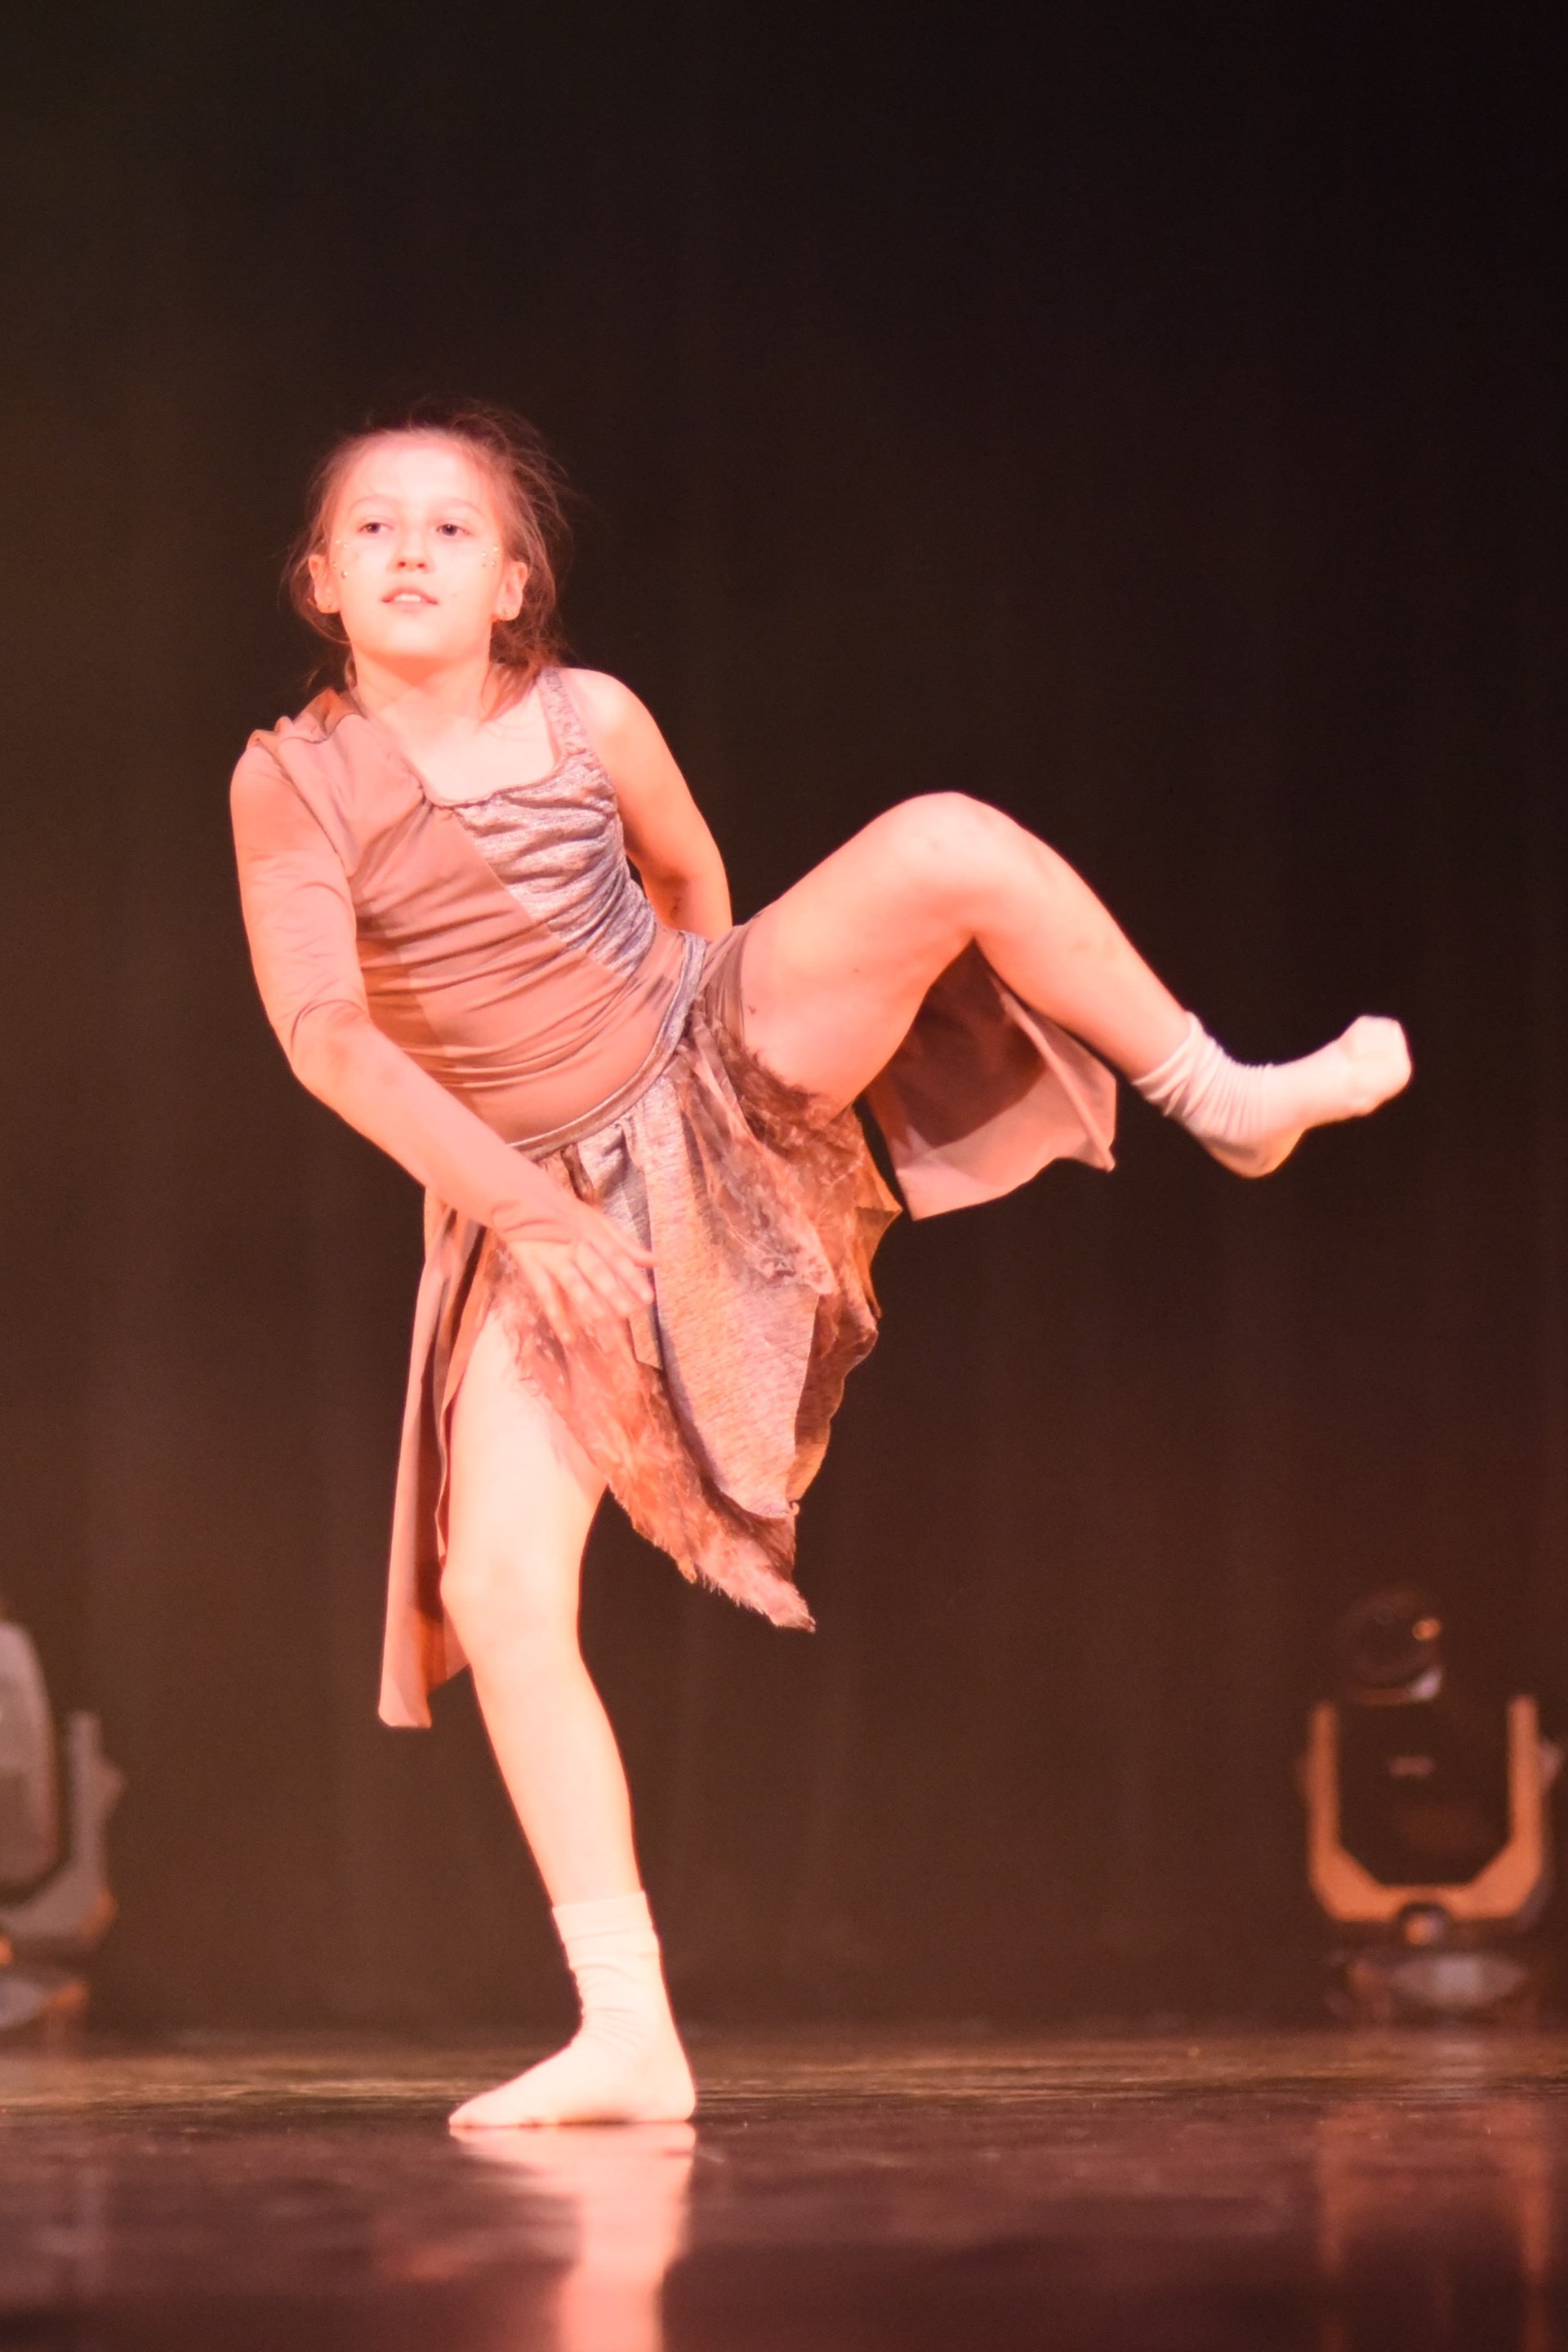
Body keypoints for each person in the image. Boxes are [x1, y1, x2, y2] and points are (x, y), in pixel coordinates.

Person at [231, 399, 1410, 2129]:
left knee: (945, 838)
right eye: (375, 527)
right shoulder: (292, 781)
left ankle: (1220, 1097)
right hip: (523, 1189)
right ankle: (628, 2027)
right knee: (497, 1589)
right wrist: (546, 1211)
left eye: (454, 526)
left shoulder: (591, 715)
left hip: (700, 1048)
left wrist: (713, 1123)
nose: (413, 548)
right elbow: (329, 1037)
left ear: (516, 582)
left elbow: (686, 874)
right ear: (322, 580)